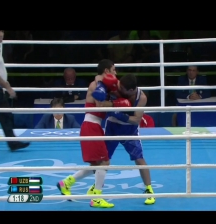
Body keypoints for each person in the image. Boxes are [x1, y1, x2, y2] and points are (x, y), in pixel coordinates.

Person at [57, 59, 131, 208]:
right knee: (104, 162)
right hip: (91, 125)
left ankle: (66, 183)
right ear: (106, 71)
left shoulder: (104, 84)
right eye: (114, 70)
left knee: (96, 164)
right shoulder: (96, 84)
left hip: (94, 126)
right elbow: (100, 104)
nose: (116, 73)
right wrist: (117, 104)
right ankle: (97, 197)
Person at [88, 73, 156, 205]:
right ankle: (96, 187)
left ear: (131, 90)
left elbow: (136, 120)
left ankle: (149, 190)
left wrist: (120, 114)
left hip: (129, 130)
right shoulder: (117, 86)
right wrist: (112, 103)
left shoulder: (141, 97)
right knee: (103, 159)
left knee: (139, 158)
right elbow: (98, 79)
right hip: (112, 126)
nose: (119, 90)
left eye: (122, 89)